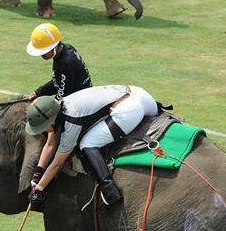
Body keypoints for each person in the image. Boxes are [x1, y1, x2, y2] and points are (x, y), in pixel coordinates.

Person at [24, 85, 160, 207]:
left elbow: (57, 163)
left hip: (128, 110)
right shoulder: (60, 103)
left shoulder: (71, 122)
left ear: (51, 120)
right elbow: (50, 143)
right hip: (139, 94)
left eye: (42, 127)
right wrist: (38, 173)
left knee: (87, 143)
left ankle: (110, 190)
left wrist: (40, 189)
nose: (41, 130)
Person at [25, 23, 92, 102]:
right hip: (73, 97)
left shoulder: (67, 62)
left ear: (54, 47)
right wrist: (38, 92)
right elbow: (57, 82)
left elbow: (63, 95)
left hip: (81, 103)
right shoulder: (64, 50)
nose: (42, 55)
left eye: (44, 51)